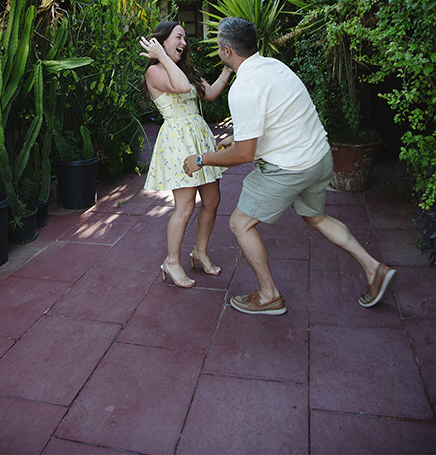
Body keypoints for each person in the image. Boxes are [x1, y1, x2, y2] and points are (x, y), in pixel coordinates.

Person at [183, 17, 396, 315]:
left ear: (226, 51)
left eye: (219, 45)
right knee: (316, 217)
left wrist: (201, 159)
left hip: (289, 168)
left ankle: (269, 295)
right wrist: (238, 135)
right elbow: (277, 114)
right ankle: (374, 268)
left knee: (240, 224)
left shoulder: (243, 87)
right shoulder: (274, 66)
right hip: (319, 158)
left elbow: (244, 155)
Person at [139, 21, 234, 288]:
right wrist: (160, 56)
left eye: (184, 39)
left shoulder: (184, 70)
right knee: (185, 206)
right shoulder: (156, 71)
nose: (184, 42)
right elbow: (180, 88)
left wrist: (229, 68)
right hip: (178, 141)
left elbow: (212, 93)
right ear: (162, 41)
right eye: (178, 37)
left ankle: (200, 251)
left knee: (212, 200)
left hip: (198, 137)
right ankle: (171, 261)